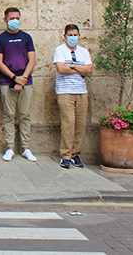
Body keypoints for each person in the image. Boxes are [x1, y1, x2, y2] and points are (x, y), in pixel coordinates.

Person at [0, 7, 37, 162]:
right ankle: (10, 147)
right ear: (5, 20)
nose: (15, 21)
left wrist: (22, 79)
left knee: (25, 114)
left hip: (26, 81)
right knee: (9, 115)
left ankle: (25, 147)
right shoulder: (0, 39)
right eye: (12, 18)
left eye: (17, 18)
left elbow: (32, 60)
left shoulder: (26, 37)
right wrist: (14, 78)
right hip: (7, 81)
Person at [54, 24, 94, 168]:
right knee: (68, 124)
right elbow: (61, 69)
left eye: (75, 35)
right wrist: (80, 69)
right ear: (64, 36)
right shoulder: (60, 50)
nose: (73, 38)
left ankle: (75, 154)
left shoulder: (84, 52)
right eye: (70, 35)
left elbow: (89, 69)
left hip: (81, 91)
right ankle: (65, 155)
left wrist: (72, 65)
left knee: (80, 124)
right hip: (65, 91)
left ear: (79, 35)